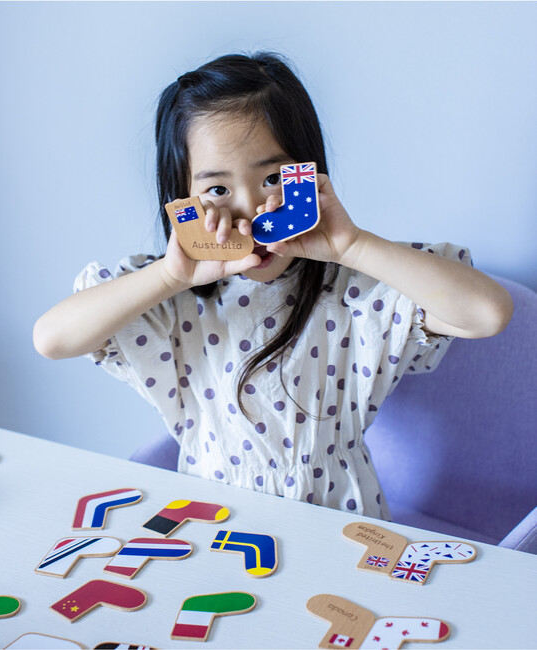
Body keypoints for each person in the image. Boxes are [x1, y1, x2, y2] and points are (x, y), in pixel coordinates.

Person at [33, 52, 513, 520]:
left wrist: (351, 246)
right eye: (218, 189)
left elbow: (489, 313)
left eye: (272, 178)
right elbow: (51, 340)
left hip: (341, 525)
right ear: (182, 197)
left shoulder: (357, 291)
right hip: (215, 525)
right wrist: (170, 276)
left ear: (309, 173)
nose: (250, 211)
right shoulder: (169, 297)